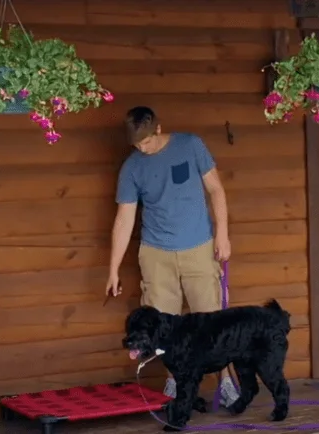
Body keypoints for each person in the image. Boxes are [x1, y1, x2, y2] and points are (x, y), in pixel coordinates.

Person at [105, 106, 239, 406]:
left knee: (212, 320)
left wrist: (222, 234)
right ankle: (173, 384)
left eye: (147, 142)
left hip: (199, 248)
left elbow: (216, 190)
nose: (143, 148)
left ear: (159, 129)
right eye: (137, 144)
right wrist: (113, 269)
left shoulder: (190, 145)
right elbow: (124, 219)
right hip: (155, 253)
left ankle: (227, 382)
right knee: (162, 327)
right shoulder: (132, 168)